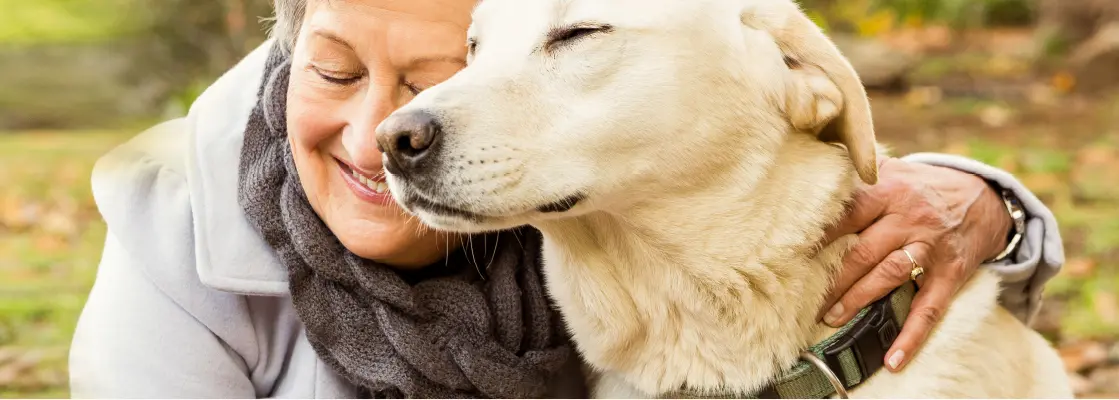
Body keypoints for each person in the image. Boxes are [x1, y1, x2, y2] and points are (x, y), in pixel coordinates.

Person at [68, 0, 1064, 397]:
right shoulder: (179, 234)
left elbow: (719, 130)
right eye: (329, 72)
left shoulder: (564, 194)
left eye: (436, 72)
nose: (388, 126)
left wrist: (985, 199)